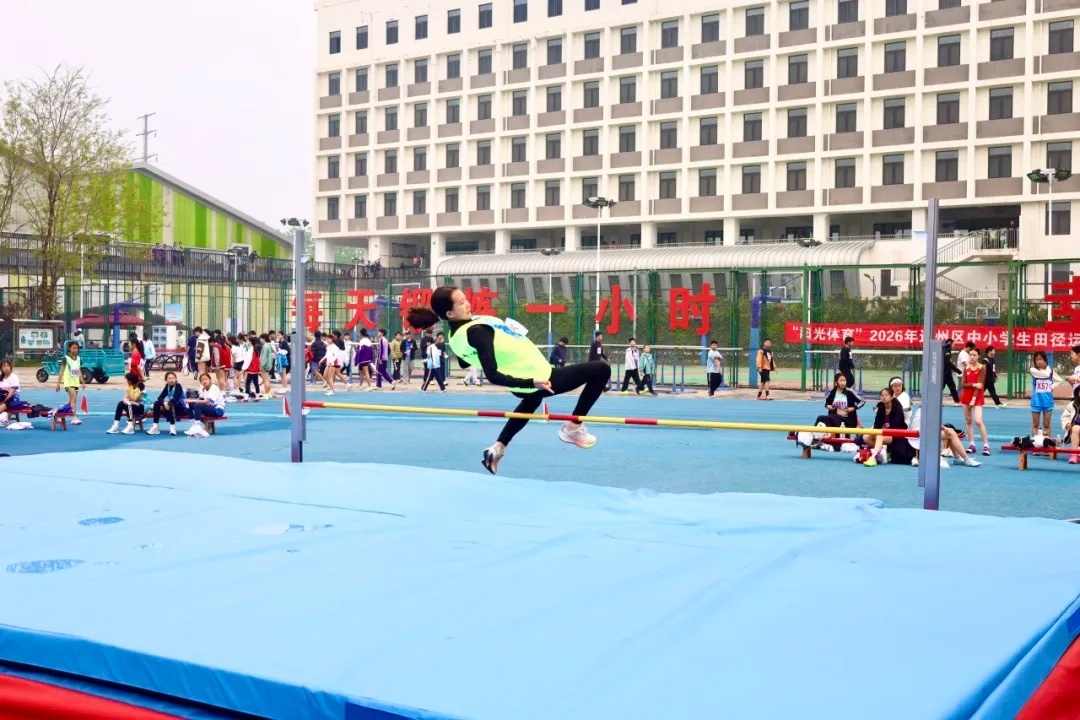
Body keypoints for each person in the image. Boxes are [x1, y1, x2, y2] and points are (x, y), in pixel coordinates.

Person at [407, 286, 611, 474]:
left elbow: (463, 360)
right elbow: (492, 375)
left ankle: (498, 448)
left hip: (523, 380)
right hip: (539, 378)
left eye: (465, 299)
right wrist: (532, 382)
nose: (468, 304)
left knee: (532, 400)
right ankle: (573, 428)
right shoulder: (477, 331)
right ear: (450, 314)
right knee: (602, 370)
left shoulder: (457, 334)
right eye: (461, 303)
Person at [861, 387, 916, 467]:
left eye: (886, 395)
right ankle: (883, 451)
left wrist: (881, 432)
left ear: (891, 397)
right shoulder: (881, 408)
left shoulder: (897, 408)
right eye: (882, 395)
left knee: (880, 436)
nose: (884, 397)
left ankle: (873, 458)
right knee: (866, 437)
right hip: (885, 433)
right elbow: (877, 425)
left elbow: (895, 426)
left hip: (897, 435)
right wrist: (873, 433)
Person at [960, 346, 991, 456]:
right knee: (968, 421)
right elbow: (963, 384)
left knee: (978, 421)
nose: (972, 357)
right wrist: (973, 384)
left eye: (974, 355)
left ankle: (986, 446)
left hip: (977, 397)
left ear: (978, 356)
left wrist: (973, 399)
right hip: (966, 397)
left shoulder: (982, 368)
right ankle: (971, 445)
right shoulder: (966, 368)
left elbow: (980, 385)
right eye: (970, 355)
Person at [1029, 350, 1061, 438]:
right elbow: (1045, 375)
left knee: (1046, 424)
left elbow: (1059, 380)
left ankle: (1046, 442)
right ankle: (1035, 443)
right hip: (1036, 401)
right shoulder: (1033, 370)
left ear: (1045, 360)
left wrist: (1052, 386)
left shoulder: (1051, 371)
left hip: (1048, 401)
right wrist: (1048, 371)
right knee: (1035, 423)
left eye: (1041, 359)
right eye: (1037, 360)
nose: (1039, 362)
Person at [185, 372, 225, 437]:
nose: (204, 381)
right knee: (188, 404)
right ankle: (193, 425)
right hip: (209, 407)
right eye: (202, 380)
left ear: (210, 380)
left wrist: (191, 400)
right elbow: (200, 399)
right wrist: (189, 401)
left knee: (198, 405)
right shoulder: (203, 388)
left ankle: (197, 427)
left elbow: (207, 401)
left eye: (206, 379)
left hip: (218, 410)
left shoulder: (213, 388)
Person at [147, 371, 186, 436]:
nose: (171, 380)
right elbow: (160, 397)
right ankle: (155, 426)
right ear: (166, 380)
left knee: (171, 405)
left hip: (181, 408)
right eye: (169, 378)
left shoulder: (178, 386)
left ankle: (172, 429)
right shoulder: (167, 386)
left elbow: (175, 399)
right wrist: (164, 403)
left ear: (176, 379)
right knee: (156, 403)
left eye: (173, 378)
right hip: (170, 407)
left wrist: (166, 405)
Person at [55, 340, 84, 425]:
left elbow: (79, 370)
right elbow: (61, 372)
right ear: (69, 348)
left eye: (76, 348)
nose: (75, 350)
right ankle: (74, 417)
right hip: (68, 382)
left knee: (71, 401)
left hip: (75, 382)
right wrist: (58, 383)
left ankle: (59, 413)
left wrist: (82, 381)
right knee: (74, 398)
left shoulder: (78, 359)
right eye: (73, 348)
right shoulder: (66, 359)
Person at [1060, 386, 1080, 464]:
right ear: (1077, 393)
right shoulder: (1072, 404)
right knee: (1076, 428)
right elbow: (1065, 416)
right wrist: (1067, 424)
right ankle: (1075, 454)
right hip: (1075, 431)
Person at [942, 340, 961, 404]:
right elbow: (948, 363)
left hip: (946, 373)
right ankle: (957, 400)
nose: (954, 345)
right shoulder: (947, 351)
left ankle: (957, 400)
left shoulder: (946, 350)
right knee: (951, 387)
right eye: (953, 344)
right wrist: (957, 370)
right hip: (946, 373)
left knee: (952, 387)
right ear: (950, 344)